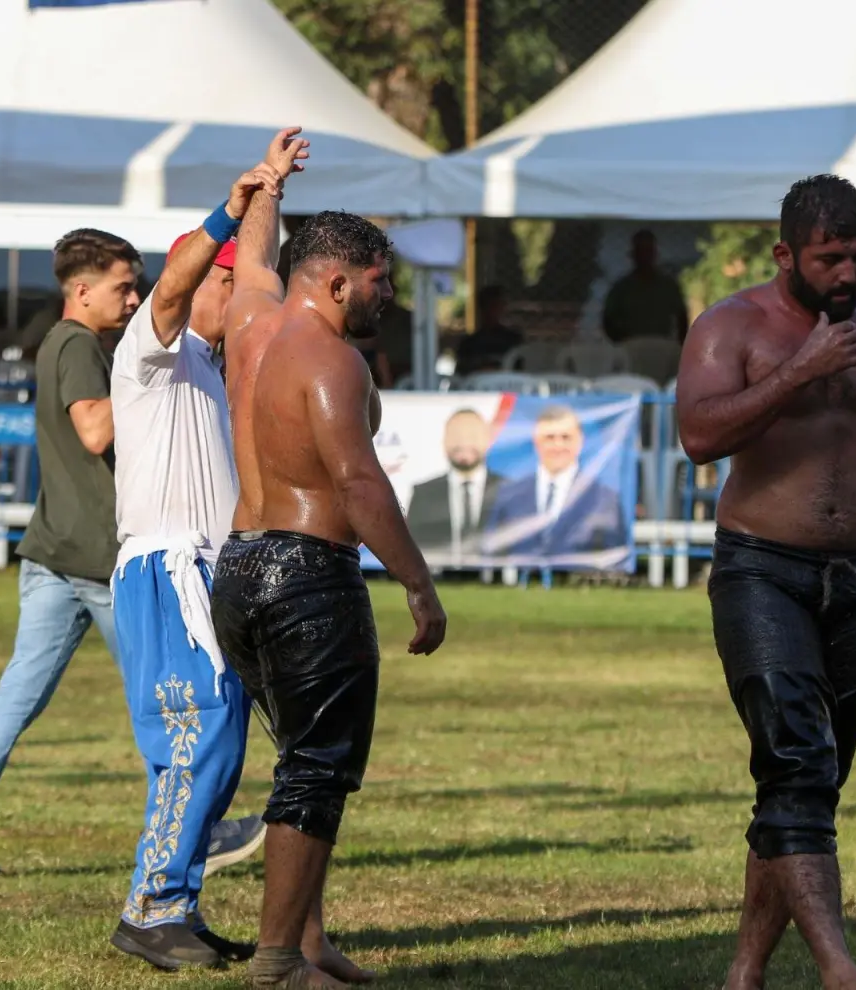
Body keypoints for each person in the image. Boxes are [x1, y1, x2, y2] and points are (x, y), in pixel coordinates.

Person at [675, 174, 856, 990]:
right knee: (798, 765)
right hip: (760, 570)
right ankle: (839, 969)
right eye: (828, 257)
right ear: (785, 254)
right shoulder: (730, 326)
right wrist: (798, 372)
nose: (846, 273)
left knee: (810, 782)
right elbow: (697, 436)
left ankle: (744, 973)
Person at [0, 229, 264, 880]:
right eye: (122, 286)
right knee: (173, 700)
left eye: (137, 285)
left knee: (17, 698)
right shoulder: (78, 342)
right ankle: (201, 828)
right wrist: (146, 385)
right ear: (81, 291)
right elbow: (93, 428)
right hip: (95, 559)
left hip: (51, 549)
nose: (134, 298)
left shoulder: (67, 343)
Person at [212, 144, 448, 987]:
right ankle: (278, 962)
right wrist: (419, 585)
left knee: (301, 761)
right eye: (381, 280)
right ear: (340, 282)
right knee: (316, 770)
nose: (389, 295)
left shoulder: (250, 324)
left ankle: (306, 941)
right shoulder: (334, 359)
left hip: (236, 570)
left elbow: (254, 266)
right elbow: (357, 481)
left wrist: (267, 189)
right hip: (308, 573)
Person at [106, 138, 303, 972]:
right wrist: (229, 206)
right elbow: (180, 278)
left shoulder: (213, 373)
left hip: (201, 573)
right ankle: (152, 908)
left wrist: (270, 193)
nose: (239, 293)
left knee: (214, 743)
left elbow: (251, 266)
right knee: (199, 735)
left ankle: (169, 903)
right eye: (229, 280)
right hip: (164, 569)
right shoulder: (152, 353)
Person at [483, 405, 625, 561]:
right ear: (536, 442)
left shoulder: (605, 499)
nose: (558, 446)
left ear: (580, 441)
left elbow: (615, 557)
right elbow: (494, 551)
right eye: (549, 437)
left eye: (565, 437)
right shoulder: (508, 494)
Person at [405, 407, 506, 564]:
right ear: (444, 442)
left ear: (488, 440)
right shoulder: (423, 493)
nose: (464, 443)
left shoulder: (509, 490)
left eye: (472, 436)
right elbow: (412, 548)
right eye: (456, 436)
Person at [602, 230, 689, 344]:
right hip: (631, 346)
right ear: (633, 255)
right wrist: (622, 342)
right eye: (640, 251)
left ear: (655, 254)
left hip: (661, 345)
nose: (644, 256)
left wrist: (679, 345)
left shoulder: (668, 286)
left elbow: (682, 318)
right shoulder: (621, 288)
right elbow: (608, 320)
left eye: (648, 251)